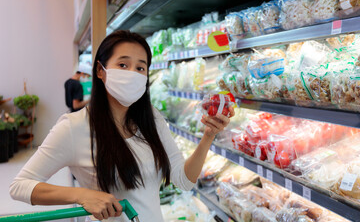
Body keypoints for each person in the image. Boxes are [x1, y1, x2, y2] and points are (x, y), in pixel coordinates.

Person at [9, 30, 234, 222]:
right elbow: (20, 186)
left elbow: (184, 181)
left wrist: (208, 136)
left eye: (140, 68)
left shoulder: (152, 119)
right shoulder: (73, 127)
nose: (132, 74)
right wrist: (81, 195)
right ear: (100, 70)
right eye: (123, 64)